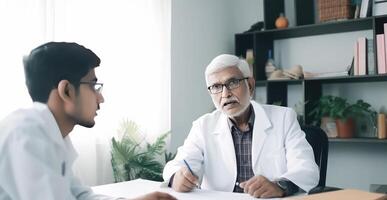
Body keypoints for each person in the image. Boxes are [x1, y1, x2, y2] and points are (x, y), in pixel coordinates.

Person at [0, 42, 176, 200]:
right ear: (66, 90)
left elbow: (79, 195)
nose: (101, 98)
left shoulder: (52, 133)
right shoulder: (26, 134)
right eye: (93, 85)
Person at [163, 54, 319, 198]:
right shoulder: (203, 126)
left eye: (232, 82)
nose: (225, 94)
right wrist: (177, 177)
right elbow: (177, 165)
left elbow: (307, 170)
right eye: (216, 87)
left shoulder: (283, 118)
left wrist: (281, 185)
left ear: (250, 85)